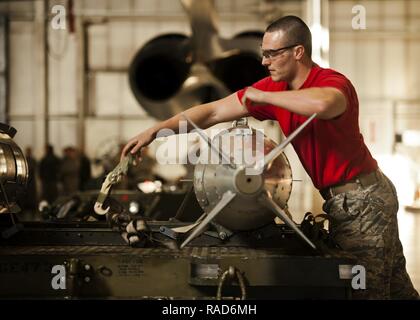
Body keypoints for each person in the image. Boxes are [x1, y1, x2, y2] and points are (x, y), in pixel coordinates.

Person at [121, 15, 418, 300]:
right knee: (397, 291)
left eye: (272, 54)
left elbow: (325, 104)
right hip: (347, 201)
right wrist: (156, 131)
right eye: (264, 53)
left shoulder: (331, 82)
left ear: (298, 52)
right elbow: (211, 112)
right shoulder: (275, 87)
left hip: (363, 200)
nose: (264, 62)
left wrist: (265, 98)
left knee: (365, 291)